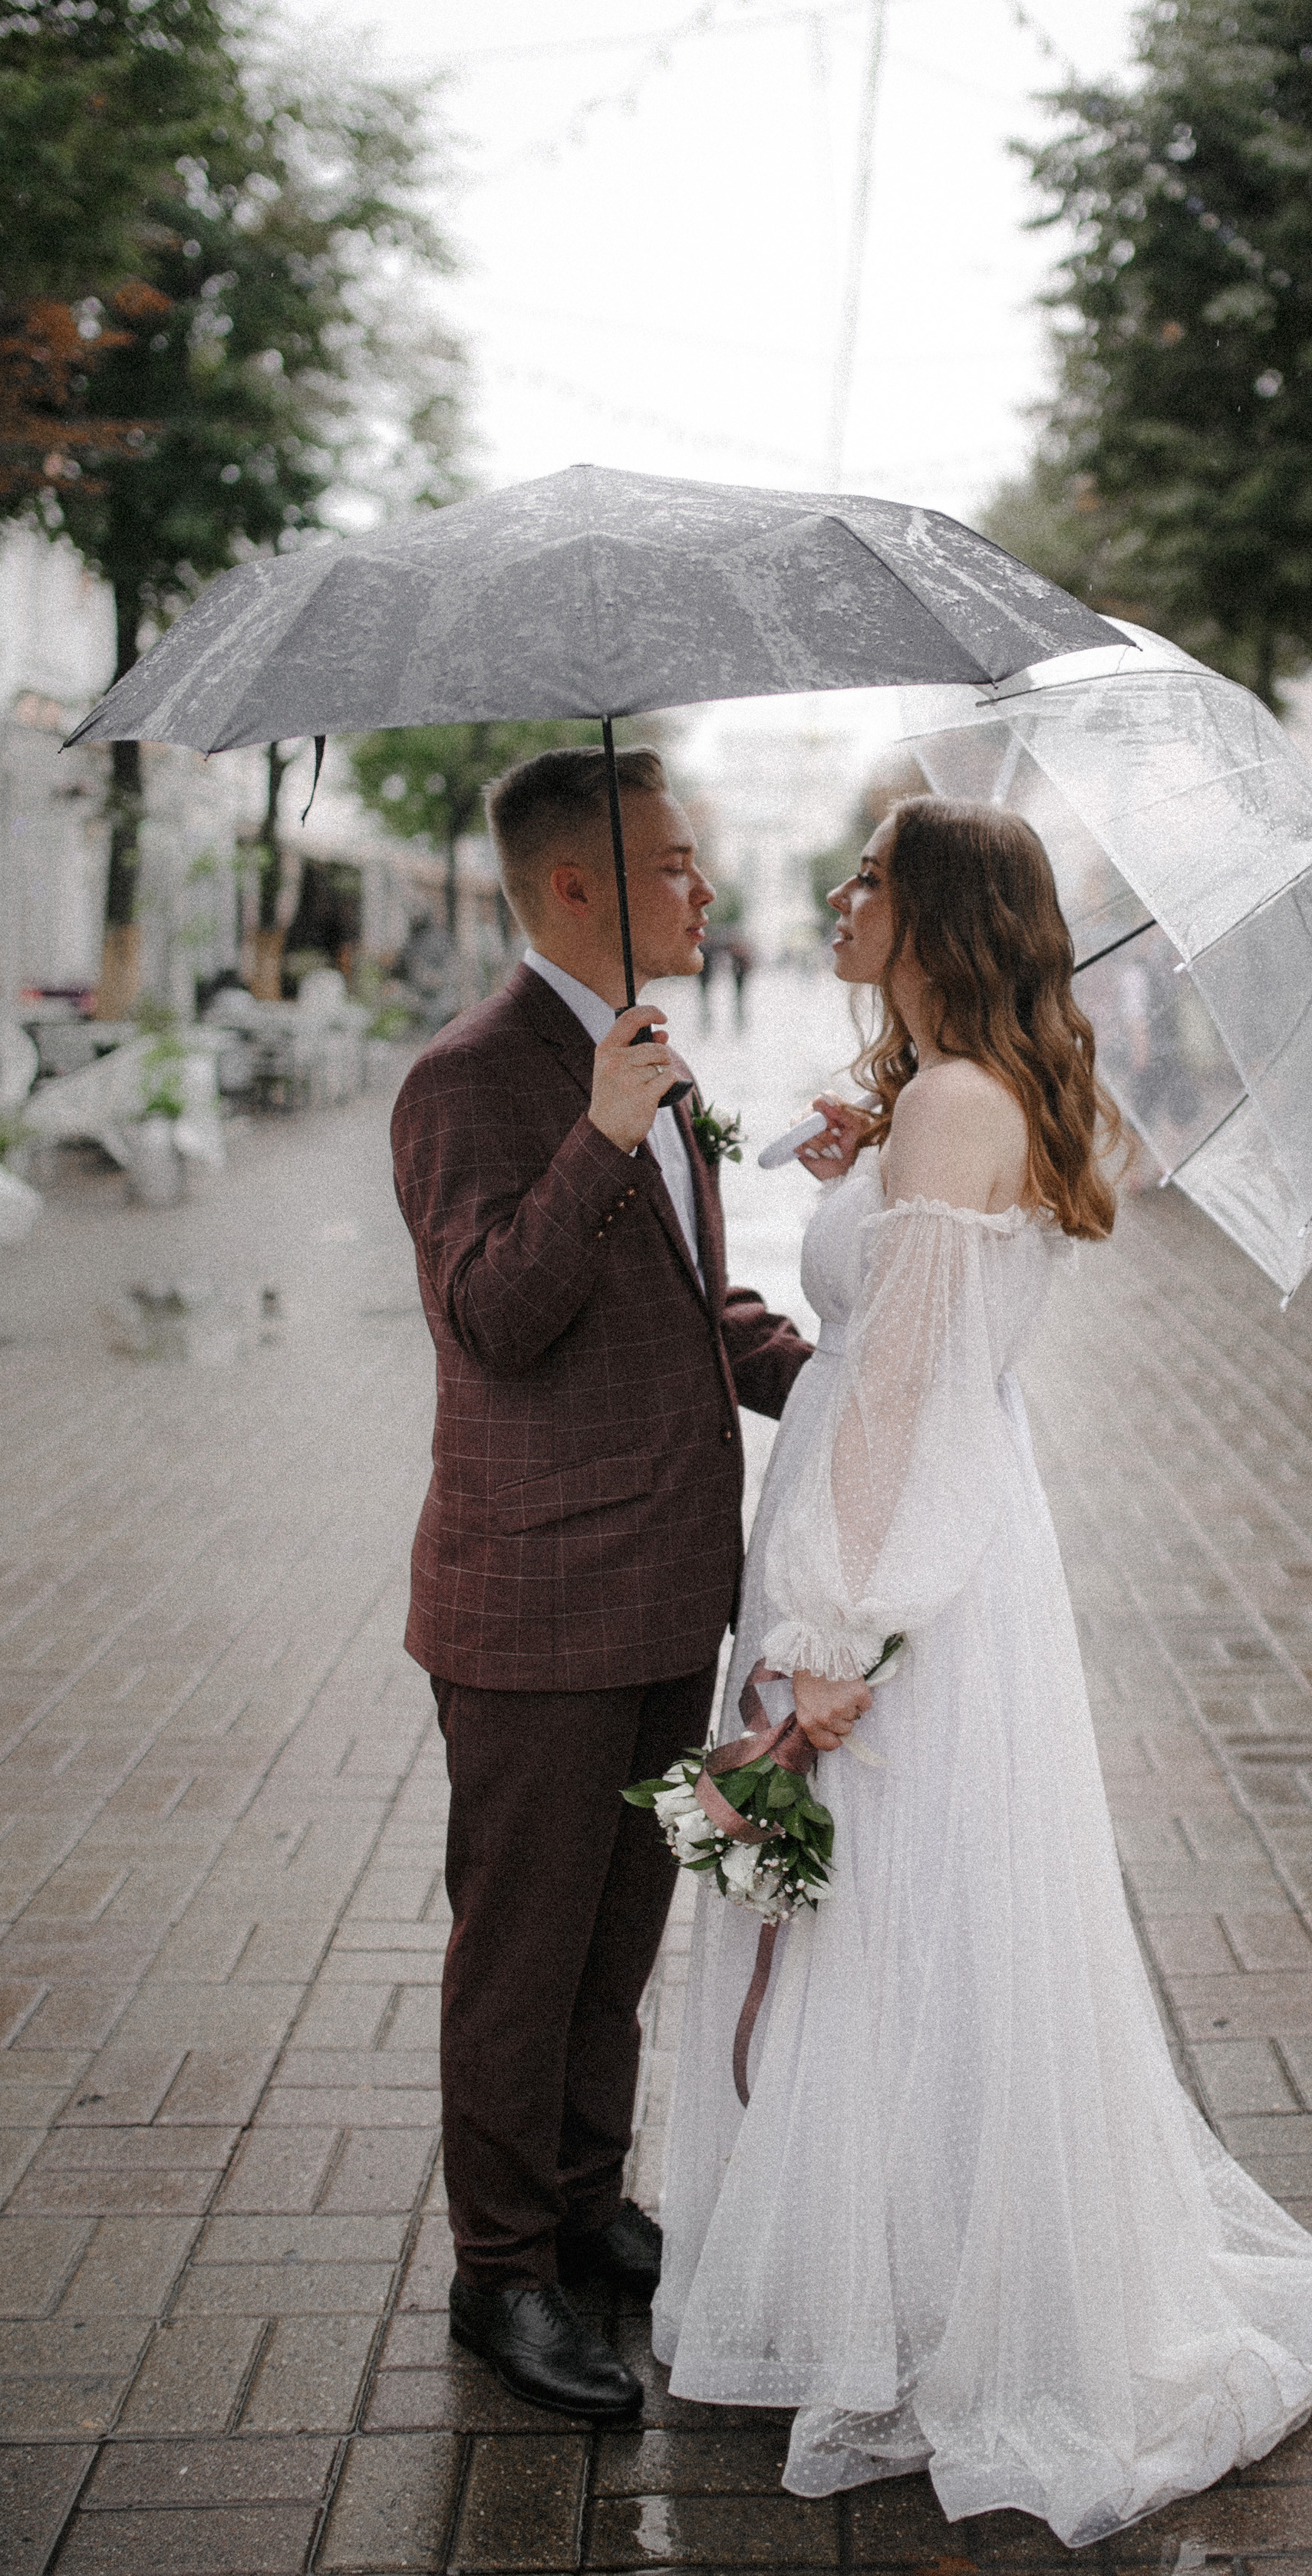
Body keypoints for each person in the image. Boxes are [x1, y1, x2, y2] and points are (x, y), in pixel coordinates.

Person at [654, 796, 1312, 2548]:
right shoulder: (951, 1096)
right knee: (907, 1918)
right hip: (925, 1524)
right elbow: (909, 1343)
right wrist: (869, 1156)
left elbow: (900, 1391)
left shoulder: (959, 1104)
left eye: (869, 877)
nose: (838, 894)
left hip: (902, 1551)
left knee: (893, 1920)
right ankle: (888, 2277)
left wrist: (833, 1632)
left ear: (939, 914)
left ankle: (906, 2307)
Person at [391, 746, 809, 2423]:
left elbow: (689, 1306)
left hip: (663, 1589)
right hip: (536, 1607)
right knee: (522, 1953)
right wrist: (596, 1137)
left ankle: (578, 2205)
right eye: (675, 865)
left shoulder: (639, 1056)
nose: (705, 889)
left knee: (615, 1936)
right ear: (579, 887)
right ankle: (499, 2274)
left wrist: (852, 1378)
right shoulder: (472, 1079)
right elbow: (493, 1316)